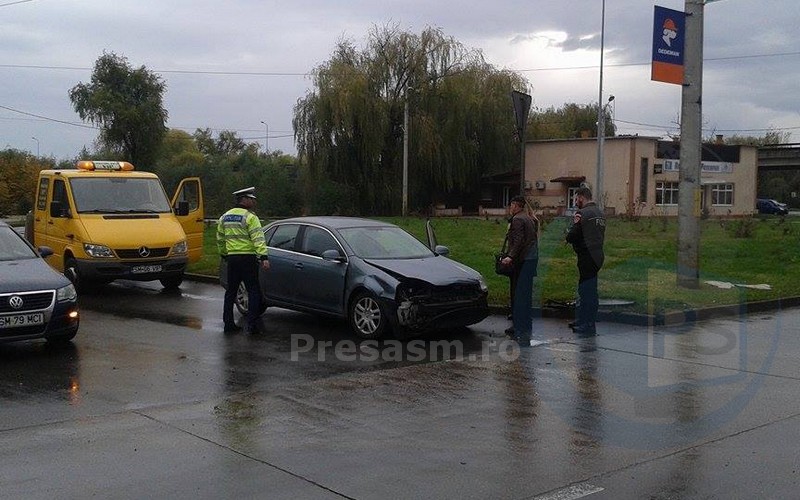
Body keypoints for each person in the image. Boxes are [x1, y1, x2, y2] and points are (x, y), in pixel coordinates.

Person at [217, 186, 270, 334]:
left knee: (231, 292)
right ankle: (251, 326)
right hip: (248, 258)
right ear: (244, 200)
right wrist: (264, 256)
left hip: (232, 258)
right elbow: (258, 238)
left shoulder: (224, 217)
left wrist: (224, 254)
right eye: (251, 199)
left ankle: (228, 324)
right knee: (253, 291)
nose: (253, 202)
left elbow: (220, 238)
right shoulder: (250, 217)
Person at [565, 186, 606, 336]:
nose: (576, 202)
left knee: (586, 291)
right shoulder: (600, 213)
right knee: (591, 289)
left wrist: (568, 233)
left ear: (582, 197)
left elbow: (573, 235)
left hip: (586, 255)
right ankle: (585, 320)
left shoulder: (582, 213)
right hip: (598, 254)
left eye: (576, 199)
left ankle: (587, 324)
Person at [500, 195, 539, 345]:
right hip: (531, 259)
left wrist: (510, 256)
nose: (510, 208)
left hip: (522, 260)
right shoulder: (529, 218)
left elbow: (518, 241)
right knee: (526, 293)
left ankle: (518, 325)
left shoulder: (517, 219)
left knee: (518, 292)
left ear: (516, 206)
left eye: (511, 205)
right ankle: (526, 324)